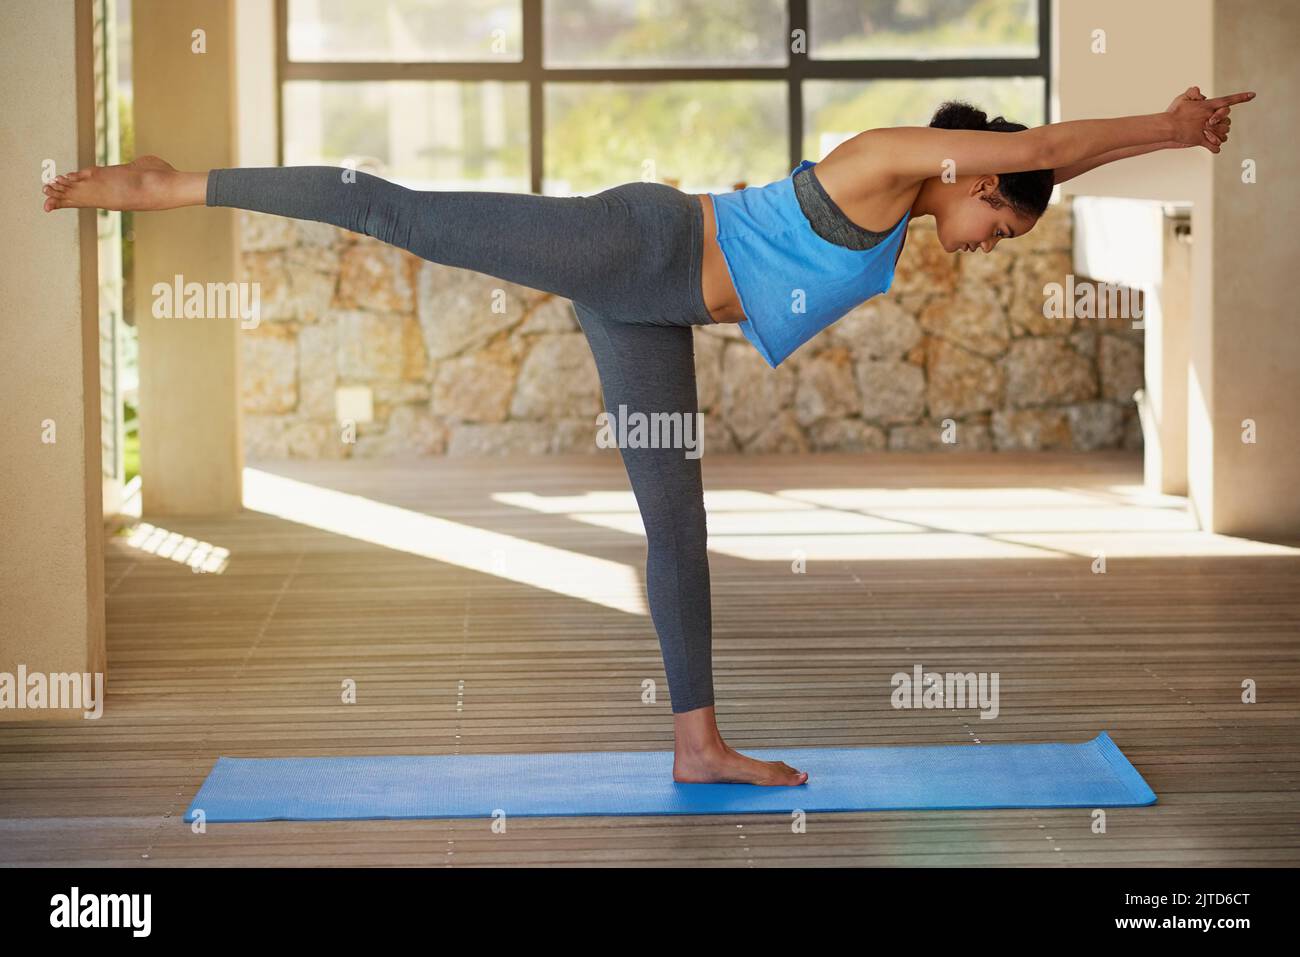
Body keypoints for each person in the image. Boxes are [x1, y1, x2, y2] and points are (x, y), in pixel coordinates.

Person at [45, 86, 1251, 786]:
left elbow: (1039, 169)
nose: (992, 249)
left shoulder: (900, 218)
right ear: (982, 186)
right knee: (399, 211)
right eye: (1005, 231)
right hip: (636, 247)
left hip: (653, 305)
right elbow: (1046, 151)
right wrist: (1172, 124)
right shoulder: (890, 162)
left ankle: (698, 744)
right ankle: (170, 186)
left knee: (675, 522)